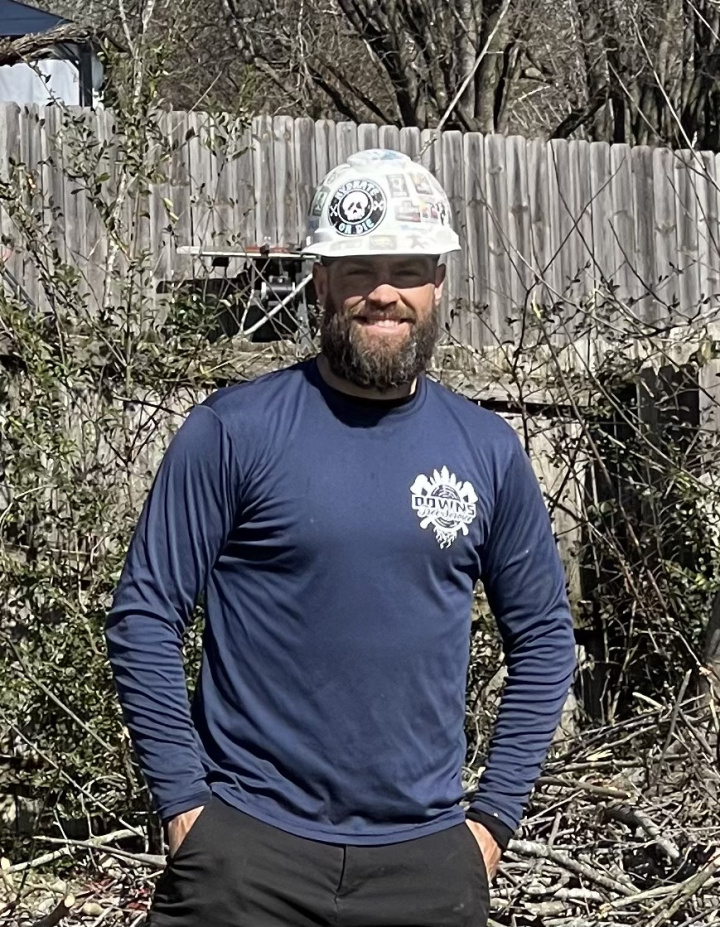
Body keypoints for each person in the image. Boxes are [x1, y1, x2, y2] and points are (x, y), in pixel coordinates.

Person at [105, 149, 576, 927]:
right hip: (244, 856)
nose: (383, 292)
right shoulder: (234, 432)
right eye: (359, 269)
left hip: (426, 863)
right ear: (321, 280)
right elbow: (145, 615)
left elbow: (546, 638)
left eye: (406, 269)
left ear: (438, 283)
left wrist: (489, 826)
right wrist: (186, 804)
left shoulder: (486, 450)